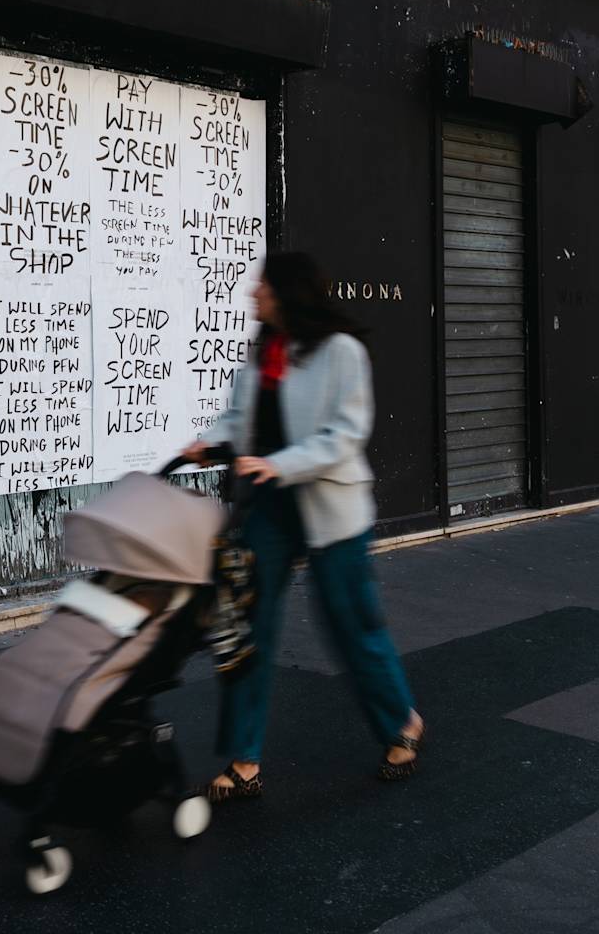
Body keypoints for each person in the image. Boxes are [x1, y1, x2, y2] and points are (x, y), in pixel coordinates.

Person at [177, 251, 422, 803]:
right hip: (269, 508)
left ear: (288, 292)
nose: (252, 294)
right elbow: (241, 419)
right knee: (247, 631)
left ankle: (400, 725)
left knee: (349, 626)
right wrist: (211, 444)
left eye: (261, 286)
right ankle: (244, 761)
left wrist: (279, 464)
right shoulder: (265, 350)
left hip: (331, 507)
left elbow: (345, 436)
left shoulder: (342, 353)